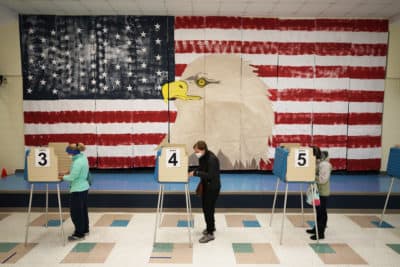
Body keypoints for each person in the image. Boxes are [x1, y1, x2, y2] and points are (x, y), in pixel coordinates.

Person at [189, 141, 221, 243]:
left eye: (197, 151)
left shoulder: (212, 159)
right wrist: (192, 171)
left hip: (212, 188)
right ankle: (211, 227)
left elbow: (210, 175)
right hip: (207, 186)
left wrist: (196, 173)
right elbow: (202, 168)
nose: (196, 153)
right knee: (207, 208)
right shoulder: (203, 157)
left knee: (208, 209)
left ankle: (210, 233)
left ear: (203, 149)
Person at [59, 143, 90, 241]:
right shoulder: (82, 158)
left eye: (68, 153)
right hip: (84, 188)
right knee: (83, 211)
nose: (68, 154)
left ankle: (79, 234)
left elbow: (73, 177)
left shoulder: (77, 162)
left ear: (72, 152)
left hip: (77, 190)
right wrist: (66, 172)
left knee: (76, 213)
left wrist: (62, 177)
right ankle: (85, 229)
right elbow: (75, 171)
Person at [307, 147, 331, 240]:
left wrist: (311, 176)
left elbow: (322, 179)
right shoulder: (319, 162)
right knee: (318, 211)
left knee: (322, 212)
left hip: (322, 192)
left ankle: (321, 233)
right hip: (318, 191)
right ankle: (316, 229)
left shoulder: (324, 165)